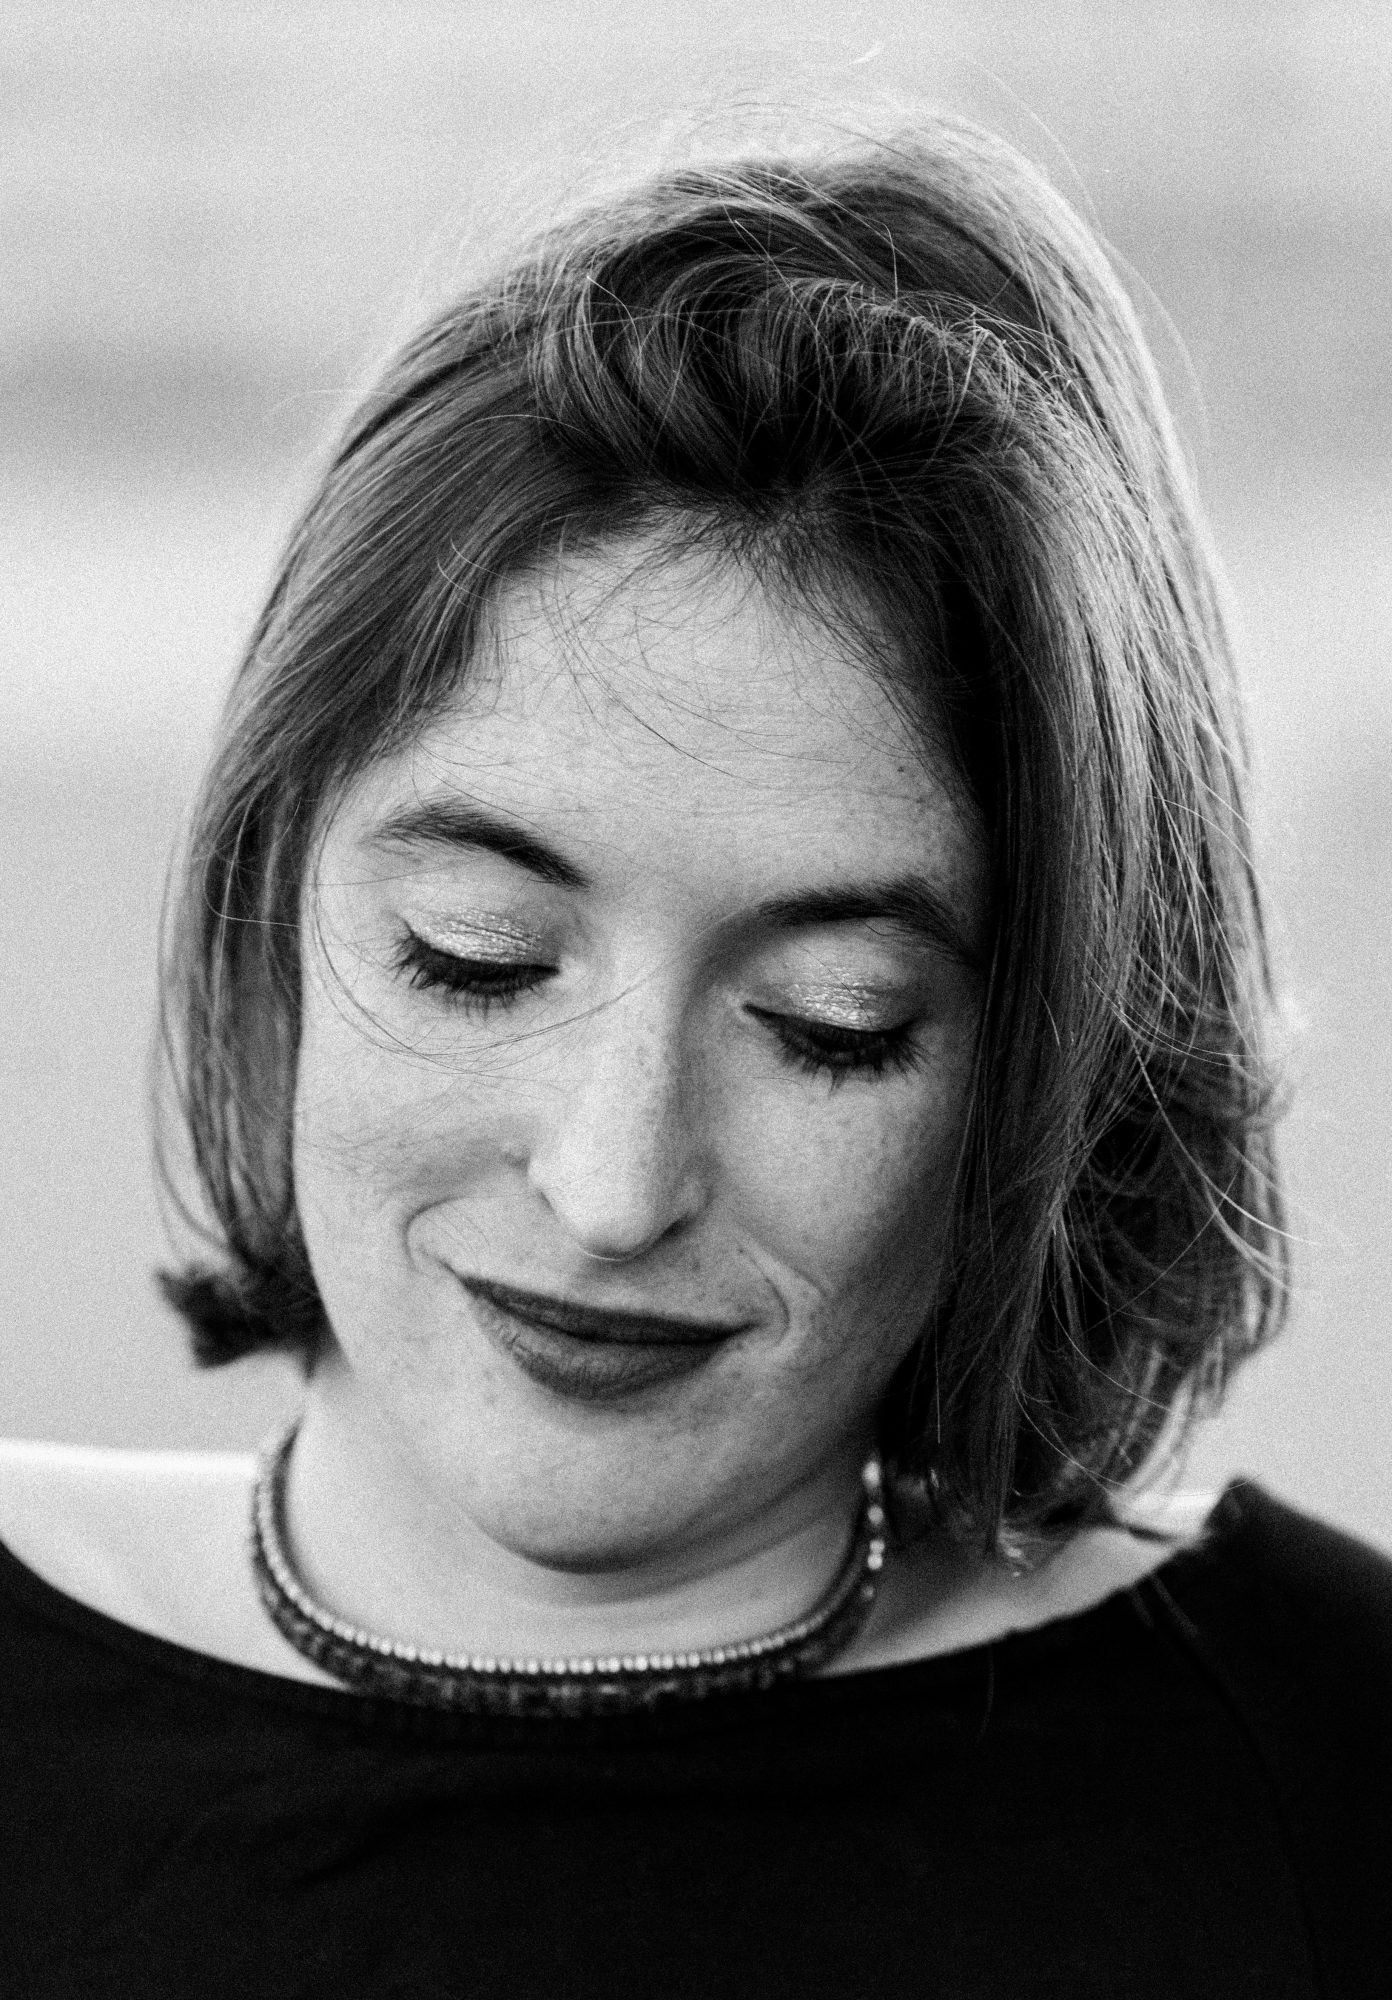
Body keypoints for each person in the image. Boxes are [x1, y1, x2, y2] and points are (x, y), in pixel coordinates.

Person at [1, 114, 1388, 1999]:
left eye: (833, 1025)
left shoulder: (1326, 1781)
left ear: (1044, 1076)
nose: (613, 1182)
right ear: (272, 908)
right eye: (476, 960)